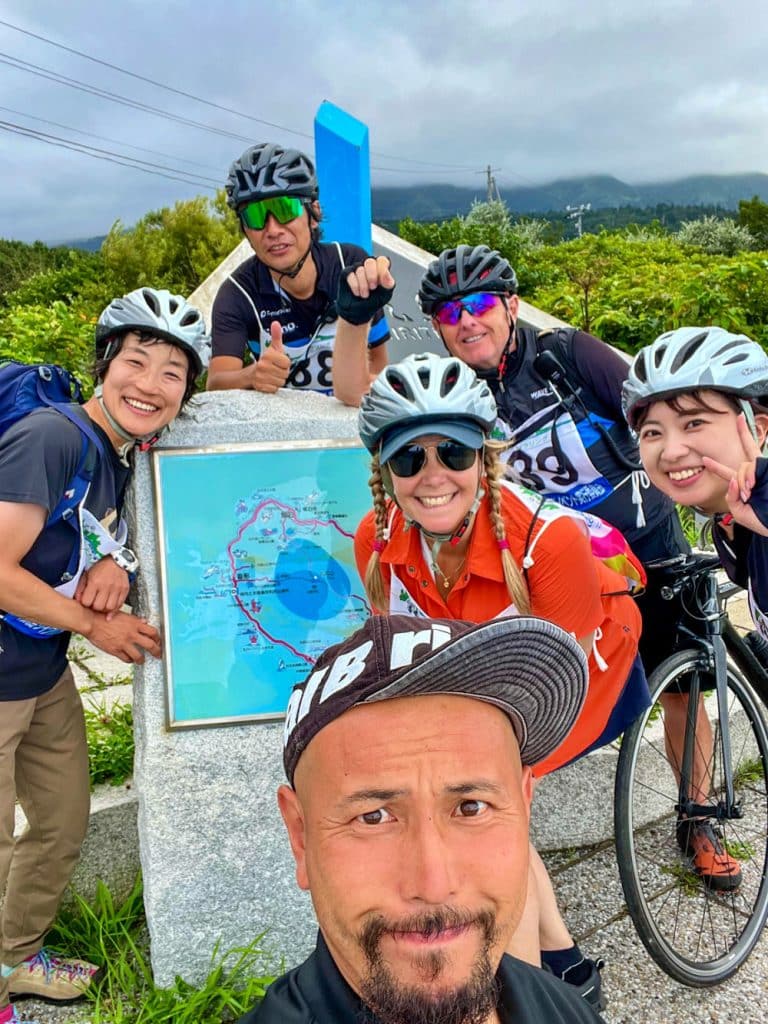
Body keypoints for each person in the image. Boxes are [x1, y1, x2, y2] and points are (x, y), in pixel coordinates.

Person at [353, 352, 649, 1009]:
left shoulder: (550, 541)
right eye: (410, 460)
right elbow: (410, 651)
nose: (433, 477)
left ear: (483, 457)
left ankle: (517, 994)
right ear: (386, 473)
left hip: (585, 671)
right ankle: (567, 968)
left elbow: (554, 684)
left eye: (453, 454)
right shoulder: (375, 537)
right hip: (489, 668)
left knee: (484, 813)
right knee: (473, 801)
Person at [0, 287, 210, 1021]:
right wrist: (98, 628)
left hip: (38, 669)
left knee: (60, 823)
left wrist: (116, 561)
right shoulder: (51, 438)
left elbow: (86, 532)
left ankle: (13, 958)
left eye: (171, 374)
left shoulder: (114, 449)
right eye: (136, 361)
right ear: (103, 365)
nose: (149, 385)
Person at [239, 613, 605, 1023]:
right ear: (300, 837)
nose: (433, 886)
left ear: (523, 807)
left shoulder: (564, 1010)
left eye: (471, 806)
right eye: (373, 817)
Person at [416, 244, 690, 684]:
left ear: (512, 306)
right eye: (450, 314)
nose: (467, 320)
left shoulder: (567, 355)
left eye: (481, 304)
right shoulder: (457, 399)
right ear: (438, 328)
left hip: (647, 539)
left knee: (676, 685)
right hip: (563, 560)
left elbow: (654, 416)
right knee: (566, 688)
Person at [622, 324, 768, 890]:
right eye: (653, 431)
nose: (671, 448)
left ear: (755, 427)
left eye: (694, 423)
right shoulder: (736, 523)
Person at [208, 142, 393, 406]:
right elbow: (216, 383)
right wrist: (252, 375)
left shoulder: (350, 263)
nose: (272, 230)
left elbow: (378, 365)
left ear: (313, 213)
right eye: (256, 216)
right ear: (245, 230)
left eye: (285, 209)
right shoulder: (237, 293)